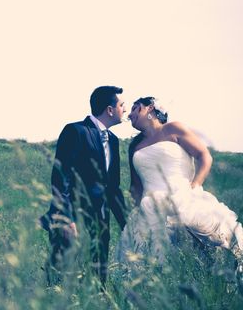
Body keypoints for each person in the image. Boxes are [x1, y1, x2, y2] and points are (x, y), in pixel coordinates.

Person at [117, 96, 243, 281]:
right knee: (151, 264)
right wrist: (134, 215)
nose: (130, 115)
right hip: (149, 208)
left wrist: (195, 185)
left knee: (212, 246)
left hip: (183, 197)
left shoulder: (173, 129)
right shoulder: (134, 146)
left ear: (150, 108)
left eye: (136, 108)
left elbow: (204, 156)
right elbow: (136, 186)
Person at [41, 86, 127, 285]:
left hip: (101, 215)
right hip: (73, 214)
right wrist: (65, 217)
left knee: (99, 268)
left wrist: (126, 222)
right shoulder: (75, 131)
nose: (125, 109)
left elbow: (113, 186)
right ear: (110, 110)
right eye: (122, 105)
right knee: (60, 267)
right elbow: (60, 177)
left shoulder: (113, 140)